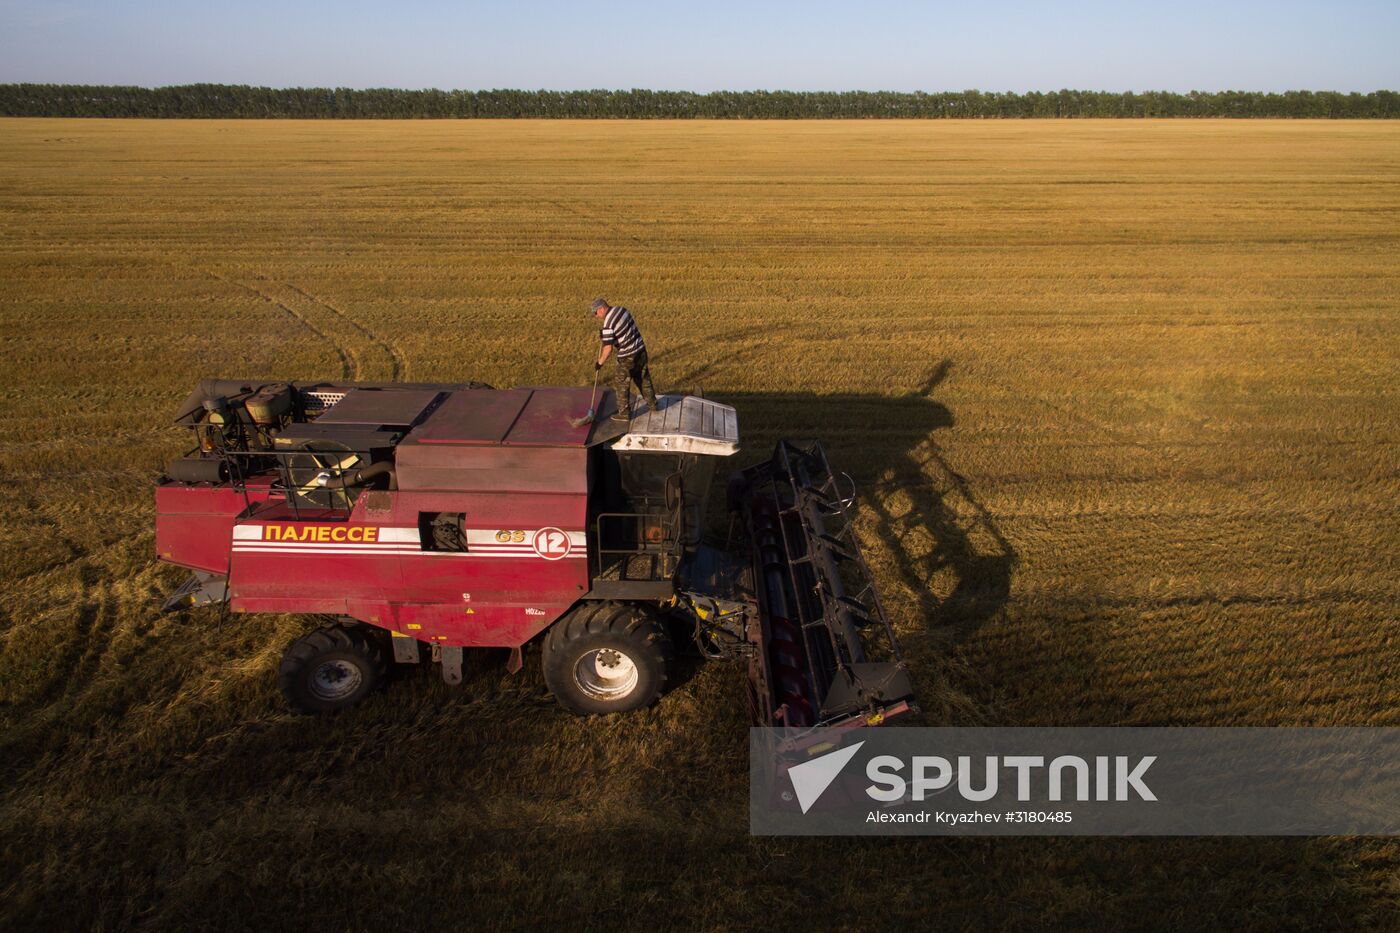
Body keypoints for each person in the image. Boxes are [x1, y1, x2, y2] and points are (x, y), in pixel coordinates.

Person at [592, 298, 658, 421]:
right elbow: (625, 332)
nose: (596, 316)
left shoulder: (607, 324)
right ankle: (652, 404)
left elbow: (608, 349)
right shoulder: (622, 310)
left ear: (601, 308)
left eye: (596, 312)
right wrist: (607, 336)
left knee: (621, 382)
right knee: (643, 378)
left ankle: (624, 414)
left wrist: (599, 363)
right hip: (641, 350)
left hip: (628, 356)